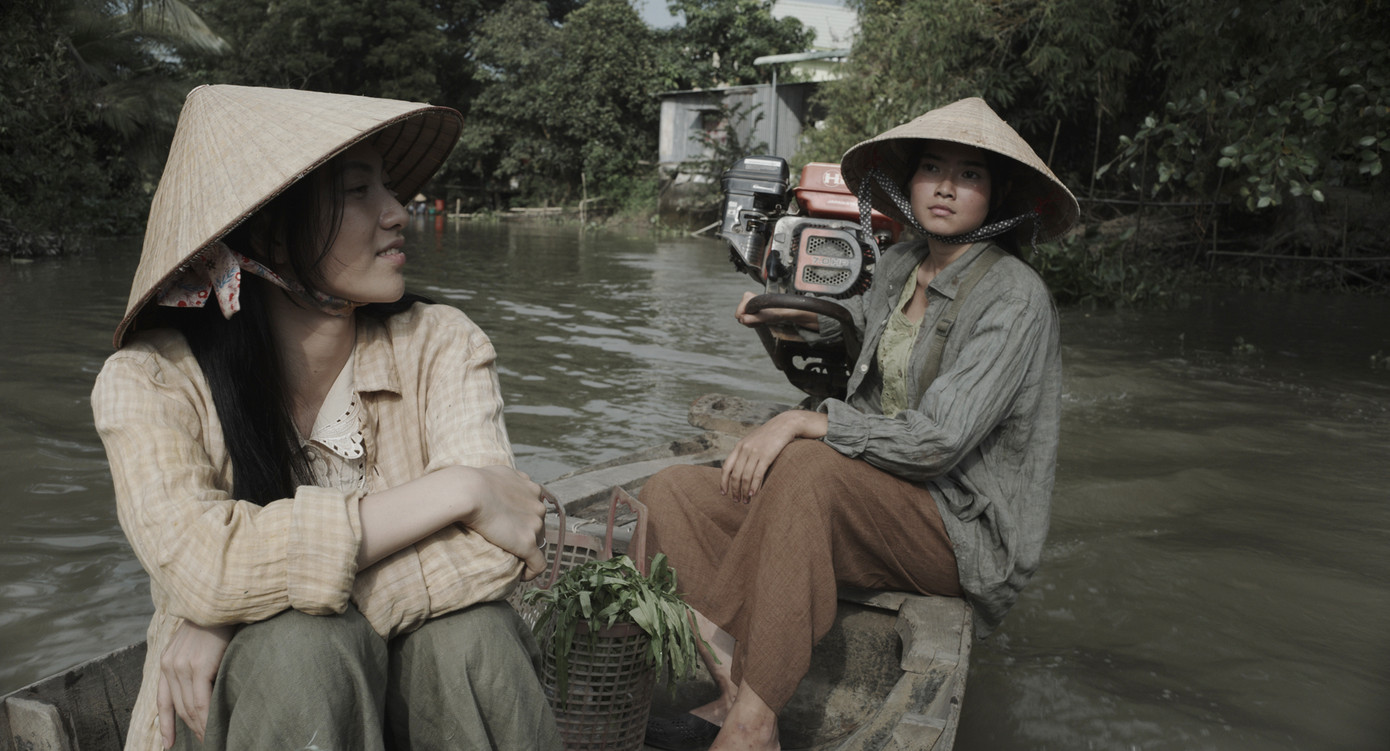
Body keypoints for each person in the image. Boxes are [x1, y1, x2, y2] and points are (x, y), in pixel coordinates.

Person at [91, 84, 562, 751]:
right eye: (356, 191)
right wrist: (459, 489)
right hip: (242, 716)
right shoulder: (149, 382)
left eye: (390, 188)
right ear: (272, 233)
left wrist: (236, 614)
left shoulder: (442, 343)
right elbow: (202, 564)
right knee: (296, 653)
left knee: (474, 637)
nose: (399, 212)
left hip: (413, 704)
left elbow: (496, 549)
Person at [640, 97, 1079, 751]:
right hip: (873, 499)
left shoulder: (1014, 296)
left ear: (998, 194)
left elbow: (938, 439)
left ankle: (753, 728)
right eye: (933, 167)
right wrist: (788, 324)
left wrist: (801, 424)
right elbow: (865, 385)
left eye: (970, 175)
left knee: (810, 465)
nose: (947, 187)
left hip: (956, 526)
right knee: (671, 495)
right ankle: (736, 689)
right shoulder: (902, 266)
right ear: (910, 181)